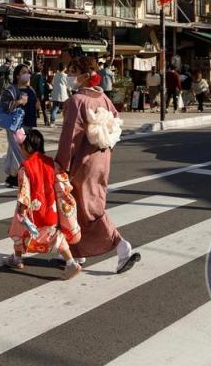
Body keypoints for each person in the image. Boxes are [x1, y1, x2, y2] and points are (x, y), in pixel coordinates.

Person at [55, 56, 139, 274]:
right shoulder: (103, 98)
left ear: (84, 75)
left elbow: (70, 137)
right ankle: (77, 251)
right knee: (83, 206)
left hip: (83, 161)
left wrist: (61, 164)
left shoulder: (77, 101)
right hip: (102, 156)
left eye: (73, 71)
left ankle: (121, 245)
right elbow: (115, 122)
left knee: (87, 208)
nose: (70, 76)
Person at [4, 129, 82, 278]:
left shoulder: (25, 167)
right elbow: (62, 184)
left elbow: (24, 191)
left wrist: (22, 209)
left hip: (32, 211)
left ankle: (17, 258)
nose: (20, 149)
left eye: (21, 146)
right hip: (51, 209)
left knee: (18, 231)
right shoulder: (51, 163)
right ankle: (71, 262)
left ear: (28, 147)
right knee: (57, 237)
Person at [1, 64, 38, 187]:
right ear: (17, 75)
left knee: (15, 150)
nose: (27, 74)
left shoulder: (31, 89)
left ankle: (12, 177)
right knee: (20, 151)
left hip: (28, 124)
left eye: (28, 72)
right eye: (24, 72)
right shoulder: (11, 90)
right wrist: (18, 102)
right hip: (15, 125)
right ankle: (26, 175)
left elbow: (34, 105)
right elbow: (5, 107)